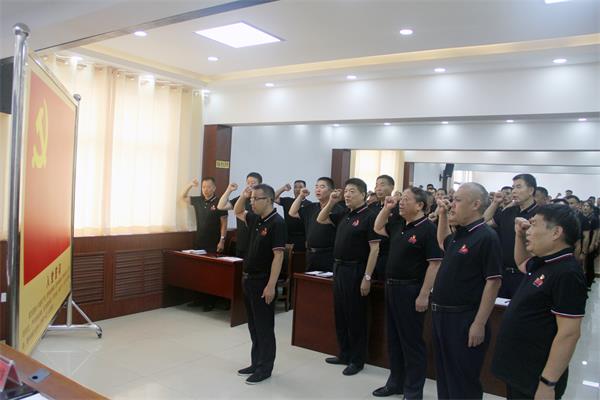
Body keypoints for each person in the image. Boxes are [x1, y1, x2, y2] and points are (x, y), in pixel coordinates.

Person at [492, 205, 587, 399]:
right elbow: (521, 263)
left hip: (536, 376)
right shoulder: (544, 261)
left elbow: (569, 334)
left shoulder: (567, 273)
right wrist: (519, 236)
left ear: (556, 232)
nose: (528, 230)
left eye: (534, 224)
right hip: (520, 368)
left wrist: (548, 383)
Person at [432, 182, 503, 400]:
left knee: (462, 380)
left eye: (457, 200)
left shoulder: (486, 237)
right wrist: (442, 215)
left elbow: (493, 283)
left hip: (464, 318)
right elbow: (442, 242)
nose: (452, 204)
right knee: (445, 375)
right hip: (442, 315)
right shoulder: (459, 234)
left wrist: (479, 323)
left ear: (475, 204)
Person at [372, 187, 443, 399]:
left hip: (411, 290)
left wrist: (424, 294)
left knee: (411, 342)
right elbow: (377, 226)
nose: (401, 202)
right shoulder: (398, 224)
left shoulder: (428, 229)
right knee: (394, 339)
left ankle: (413, 391)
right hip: (391, 287)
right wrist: (387, 208)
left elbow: (435, 264)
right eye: (400, 198)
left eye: (406, 199)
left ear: (420, 205)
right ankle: (395, 383)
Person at [317, 178, 381, 376]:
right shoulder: (344, 213)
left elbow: (375, 249)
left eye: (352, 191)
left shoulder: (370, 216)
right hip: (339, 268)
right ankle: (344, 353)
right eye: (346, 191)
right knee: (341, 314)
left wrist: (367, 277)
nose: (347, 195)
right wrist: (332, 201)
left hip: (356, 269)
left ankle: (357, 360)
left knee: (355, 316)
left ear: (363, 194)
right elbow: (321, 219)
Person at [234, 183, 286, 385]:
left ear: (269, 200)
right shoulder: (256, 218)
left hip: (263, 280)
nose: (252, 202)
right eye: (252, 199)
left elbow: (278, 256)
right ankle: (256, 362)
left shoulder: (277, 223)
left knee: (264, 327)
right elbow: (238, 210)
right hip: (248, 278)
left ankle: (265, 368)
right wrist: (244, 195)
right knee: (254, 326)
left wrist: (271, 285)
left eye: (257, 199)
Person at [484, 174, 538, 298]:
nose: (514, 191)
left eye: (518, 187)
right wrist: (495, 203)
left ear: (531, 190)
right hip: (503, 272)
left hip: (526, 273)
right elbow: (484, 222)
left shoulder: (540, 214)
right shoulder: (509, 212)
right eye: (513, 187)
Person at [289, 177, 344, 272]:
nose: (318, 189)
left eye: (322, 187)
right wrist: (301, 196)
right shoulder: (311, 207)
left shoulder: (338, 209)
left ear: (331, 191)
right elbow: (292, 213)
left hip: (328, 255)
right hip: (310, 254)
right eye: (316, 187)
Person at [217, 172, 263, 258]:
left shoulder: (262, 201)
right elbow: (221, 206)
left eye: (253, 183)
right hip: (241, 244)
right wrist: (229, 190)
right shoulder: (241, 199)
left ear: (260, 185)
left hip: (256, 245)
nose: (250, 185)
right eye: (248, 183)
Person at [182, 177, 227, 253]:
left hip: (214, 243)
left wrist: (222, 241)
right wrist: (190, 185)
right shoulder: (198, 200)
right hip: (199, 241)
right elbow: (183, 197)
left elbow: (224, 224)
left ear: (214, 188)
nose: (205, 189)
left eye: (208, 187)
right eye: (203, 187)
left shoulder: (220, 202)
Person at [368, 175, 397, 280]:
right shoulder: (371, 207)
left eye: (382, 185)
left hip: (387, 253)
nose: (378, 188)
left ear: (392, 187)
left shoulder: (397, 207)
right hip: (370, 252)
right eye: (376, 185)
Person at [275, 180, 309, 252]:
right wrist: (283, 189)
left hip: (302, 238)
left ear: (305, 189)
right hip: (287, 236)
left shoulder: (309, 204)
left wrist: (308, 239)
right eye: (295, 187)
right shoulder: (288, 200)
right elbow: (273, 198)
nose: (297, 189)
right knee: (287, 257)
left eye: (300, 187)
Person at [565, 195, 591, 265]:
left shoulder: (584, 219)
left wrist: (583, 252)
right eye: (567, 203)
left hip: (577, 249)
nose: (569, 205)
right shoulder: (563, 217)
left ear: (578, 205)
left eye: (571, 203)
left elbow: (586, 237)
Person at [581, 201, 599, 288]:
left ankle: (589, 282)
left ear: (591, 209)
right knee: (582, 262)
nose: (585, 207)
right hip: (582, 242)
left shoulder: (594, 218)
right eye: (584, 205)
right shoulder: (580, 217)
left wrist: (593, 243)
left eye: (587, 206)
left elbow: (596, 232)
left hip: (590, 240)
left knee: (589, 262)